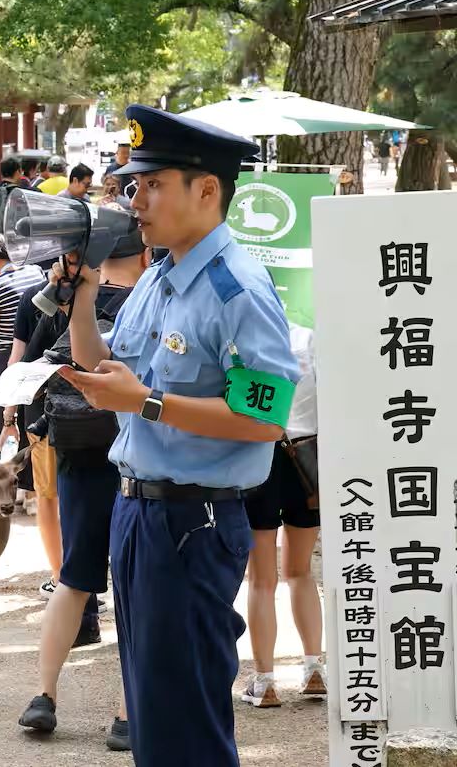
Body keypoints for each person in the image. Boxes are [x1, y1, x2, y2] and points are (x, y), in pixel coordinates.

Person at [55, 104, 298, 766]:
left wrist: (151, 403)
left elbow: (266, 414)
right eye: (134, 185)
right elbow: (108, 367)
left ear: (207, 190)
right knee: (152, 714)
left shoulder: (235, 289)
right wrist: (80, 295)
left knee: (185, 719)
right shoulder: (160, 277)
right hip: (137, 512)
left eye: (153, 183)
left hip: (193, 522)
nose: (137, 200)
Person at [16, 234, 151, 750]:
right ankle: (125, 714)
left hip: (76, 458)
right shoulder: (151, 304)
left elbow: (37, 357)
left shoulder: (69, 302)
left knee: (73, 579)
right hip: (131, 458)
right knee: (133, 589)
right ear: (144, 255)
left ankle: (43, 696)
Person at [241, 322, 324, 708]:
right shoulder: (310, 338)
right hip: (308, 459)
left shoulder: (245, 343)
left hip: (260, 458)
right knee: (301, 570)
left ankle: (265, 681)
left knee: (262, 579)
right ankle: (313, 669)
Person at [0, 233, 43, 466]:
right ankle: (30, 478)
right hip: (39, 352)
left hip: (7, 355)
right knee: (32, 416)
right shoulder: (35, 272)